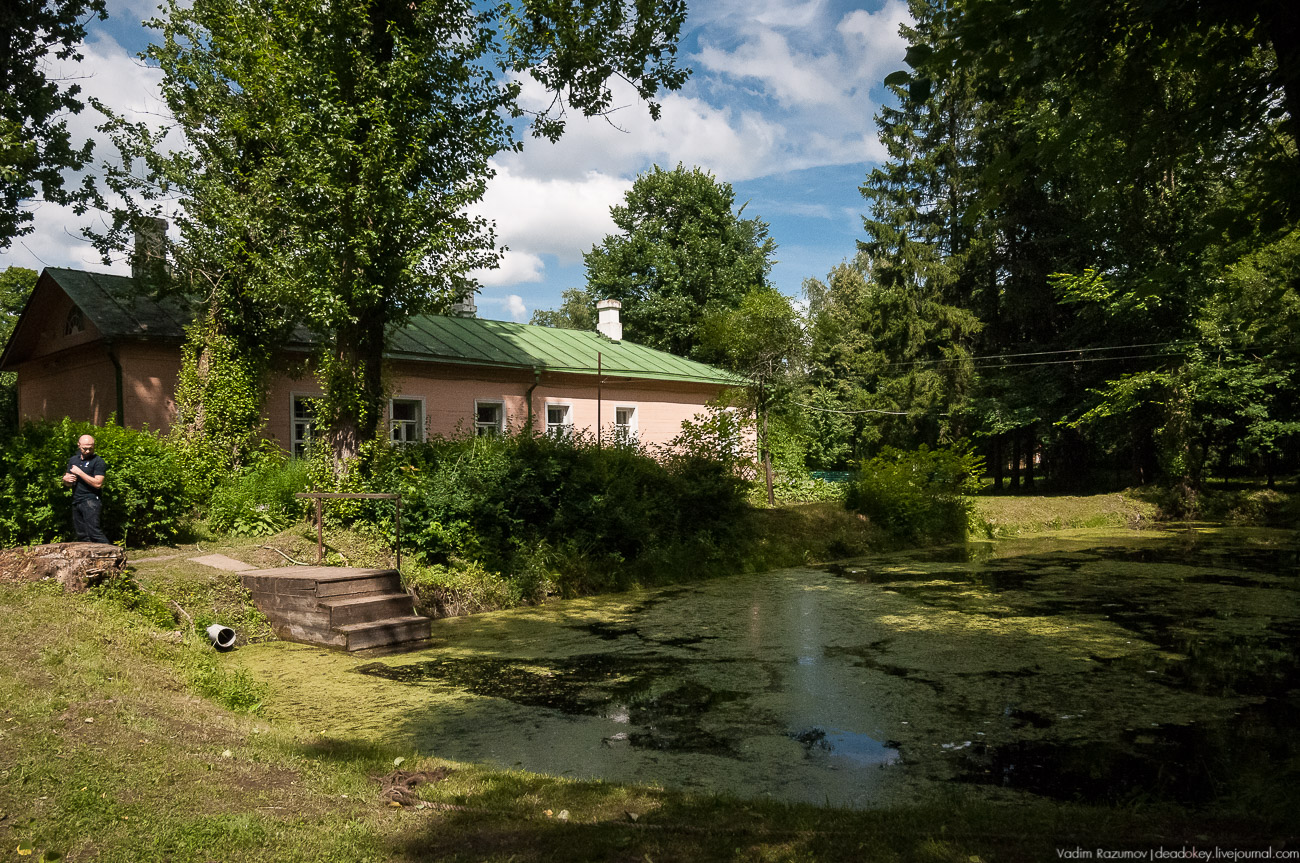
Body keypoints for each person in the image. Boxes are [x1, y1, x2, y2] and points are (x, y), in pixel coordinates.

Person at [62, 434, 110, 544]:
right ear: (79, 445)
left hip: (91, 501)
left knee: (94, 533)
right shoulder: (73, 460)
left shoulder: (98, 461)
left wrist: (80, 472)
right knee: (82, 535)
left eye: (90, 448)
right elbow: (68, 482)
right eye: (85, 448)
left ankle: (113, 555)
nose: (87, 451)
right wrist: (65, 480)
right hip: (76, 500)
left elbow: (98, 484)